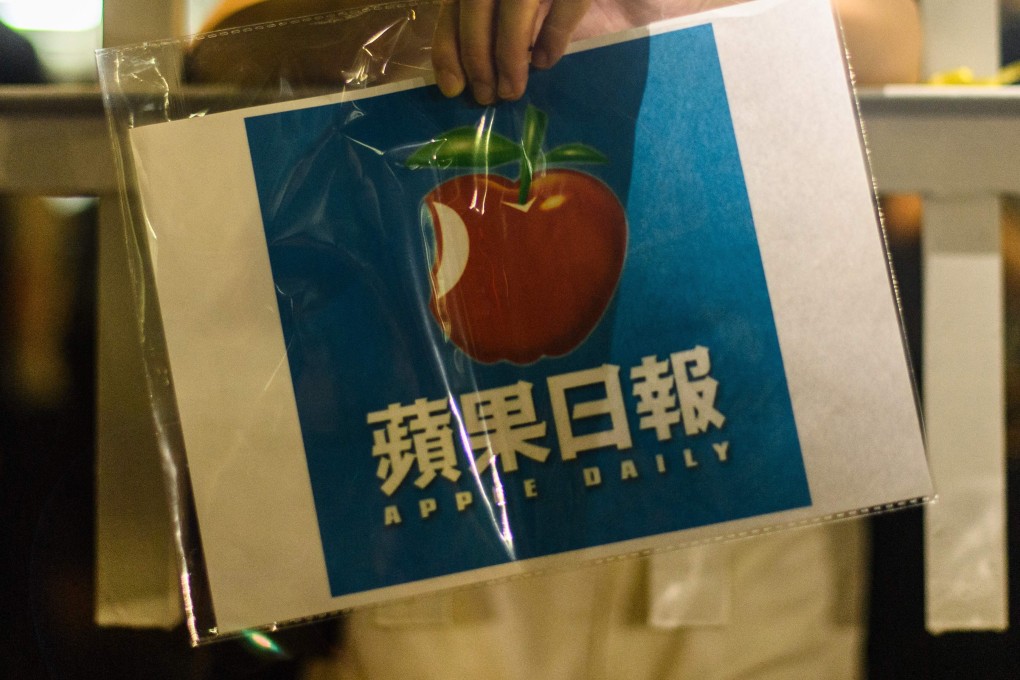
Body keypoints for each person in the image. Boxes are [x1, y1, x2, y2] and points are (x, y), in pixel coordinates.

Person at [186, 2, 922, 678]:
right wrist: (422, 15)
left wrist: (642, 8)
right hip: (450, 486)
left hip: (735, 481)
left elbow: (893, 44)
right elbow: (222, 54)